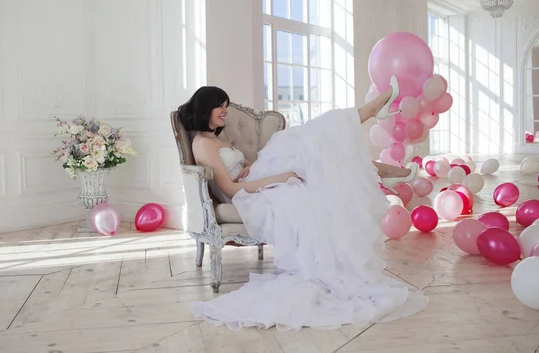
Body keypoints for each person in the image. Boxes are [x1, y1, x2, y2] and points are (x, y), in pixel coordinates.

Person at [177, 77, 427, 331]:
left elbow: (236, 171)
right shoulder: (203, 144)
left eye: (225, 105)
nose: (225, 111)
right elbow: (229, 189)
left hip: (255, 178)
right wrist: (278, 178)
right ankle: (376, 132)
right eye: (220, 106)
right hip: (249, 195)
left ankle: (386, 160)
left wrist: (250, 167)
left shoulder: (216, 139)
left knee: (322, 156)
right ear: (204, 107)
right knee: (313, 148)